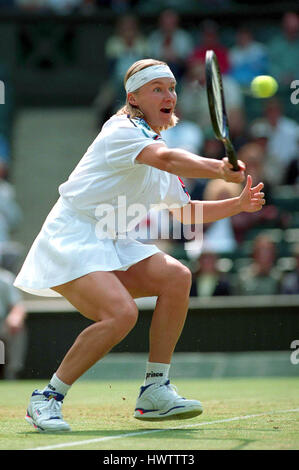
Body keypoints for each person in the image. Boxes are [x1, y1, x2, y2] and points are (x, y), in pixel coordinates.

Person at [14, 58, 265, 432]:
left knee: (177, 277)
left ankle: (155, 390)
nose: (170, 96)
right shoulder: (121, 130)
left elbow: (185, 213)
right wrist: (216, 168)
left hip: (114, 240)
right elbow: (165, 158)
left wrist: (238, 204)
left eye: (172, 88)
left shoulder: (155, 145)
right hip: (71, 236)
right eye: (158, 89)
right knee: (121, 313)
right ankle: (47, 398)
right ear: (133, 98)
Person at [0, 265, 27, 380]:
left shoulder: (4, 278)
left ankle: (11, 373)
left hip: (1, 323)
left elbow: (17, 306)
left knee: (16, 327)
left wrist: (15, 318)